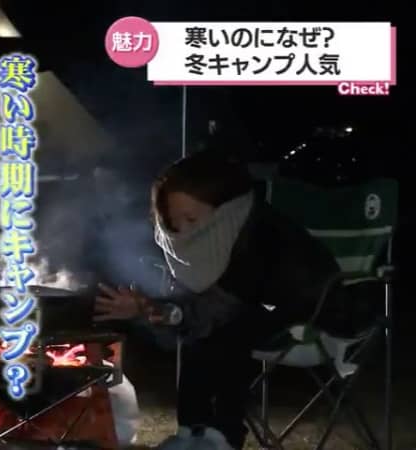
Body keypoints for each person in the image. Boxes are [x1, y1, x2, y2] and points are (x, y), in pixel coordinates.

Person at [93, 150, 351, 450]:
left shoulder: (258, 236)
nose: (183, 231)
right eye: (174, 222)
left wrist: (160, 311)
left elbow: (217, 309)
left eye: (191, 219)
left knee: (228, 330)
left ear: (223, 209)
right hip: (249, 314)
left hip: (313, 314)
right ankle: (192, 432)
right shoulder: (202, 246)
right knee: (209, 334)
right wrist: (148, 309)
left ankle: (222, 436)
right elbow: (186, 321)